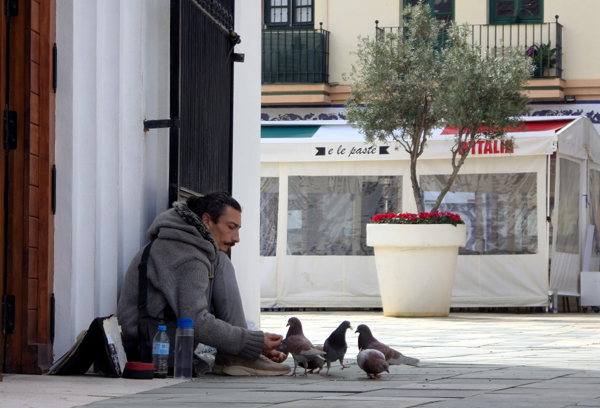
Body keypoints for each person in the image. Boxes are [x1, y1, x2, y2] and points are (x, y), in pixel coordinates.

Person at [117, 191, 290, 376]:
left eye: (238, 229)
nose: (237, 238)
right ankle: (238, 356)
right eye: (231, 227)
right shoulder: (187, 256)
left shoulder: (184, 245)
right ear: (207, 220)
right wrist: (251, 342)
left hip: (156, 334)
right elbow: (196, 321)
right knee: (220, 261)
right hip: (147, 346)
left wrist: (249, 346)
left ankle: (237, 356)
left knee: (220, 261)